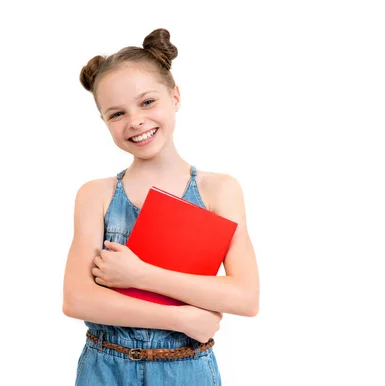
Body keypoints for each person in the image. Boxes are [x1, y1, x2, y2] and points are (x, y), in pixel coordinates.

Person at [62, 28, 259, 385]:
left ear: (175, 96)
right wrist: (181, 318)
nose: (135, 121)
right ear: (104, 121)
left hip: (186, 369)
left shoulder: (218, 190)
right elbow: (77, 300)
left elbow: (245, 296)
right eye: (116, 113)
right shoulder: (97, 194)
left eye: (147, 102)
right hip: (106, 368)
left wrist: (139, 275)